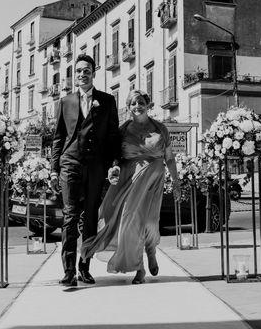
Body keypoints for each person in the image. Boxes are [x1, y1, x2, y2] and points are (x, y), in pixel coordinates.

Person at [81, 89, 180, 284]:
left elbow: (169, 158)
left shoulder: (161, 129)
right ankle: (139, 266)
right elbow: (115, 156)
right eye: (133, 103)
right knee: (130, 219)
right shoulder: (123, 130)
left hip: (153, 180)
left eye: (141, 102)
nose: (137, 106)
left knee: (150, 221)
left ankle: (151, 250)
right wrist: (114, 168)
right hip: (130, 179)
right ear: (128, 107)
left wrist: (176, 182)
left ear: (148, 104)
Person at [50, 54, 121, 286]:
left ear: (93, 72)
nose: (82, 74)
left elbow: (113, 137)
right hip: (70, 164)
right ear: (75, 74)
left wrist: (114, 164)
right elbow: (58, 138)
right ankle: (68, 271)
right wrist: (53, 169)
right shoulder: (65, 102)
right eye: (79, 70)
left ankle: (85, 266)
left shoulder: (107, 101)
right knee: (70, 217)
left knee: (90, 218)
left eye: (86, 70)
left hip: (96, 166)